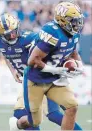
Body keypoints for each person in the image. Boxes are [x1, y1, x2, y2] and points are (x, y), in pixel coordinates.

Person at [0, 12, 83, 130]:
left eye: (14, 31)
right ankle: (18, 124)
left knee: (54, 114)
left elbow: (48, 52)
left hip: (45, 77)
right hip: (30, 80)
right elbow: (5, 54)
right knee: (22, 115)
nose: (13, 35)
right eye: (9, 34)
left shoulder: (30, 38)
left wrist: (61, 66)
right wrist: (13, 70)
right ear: (1, 36)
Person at [24, 1, 84, 130]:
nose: (77, 24)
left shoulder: (74, 33)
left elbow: (73, 53)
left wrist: (79, 65)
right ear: (62, 20)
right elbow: (32, 61)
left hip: (54, 81)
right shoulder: (52, 32)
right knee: (34, 121)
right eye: (73, 21)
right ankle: (17, 124)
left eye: (78, 21)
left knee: (72, 106)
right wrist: (56, 70)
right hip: (36, 80)